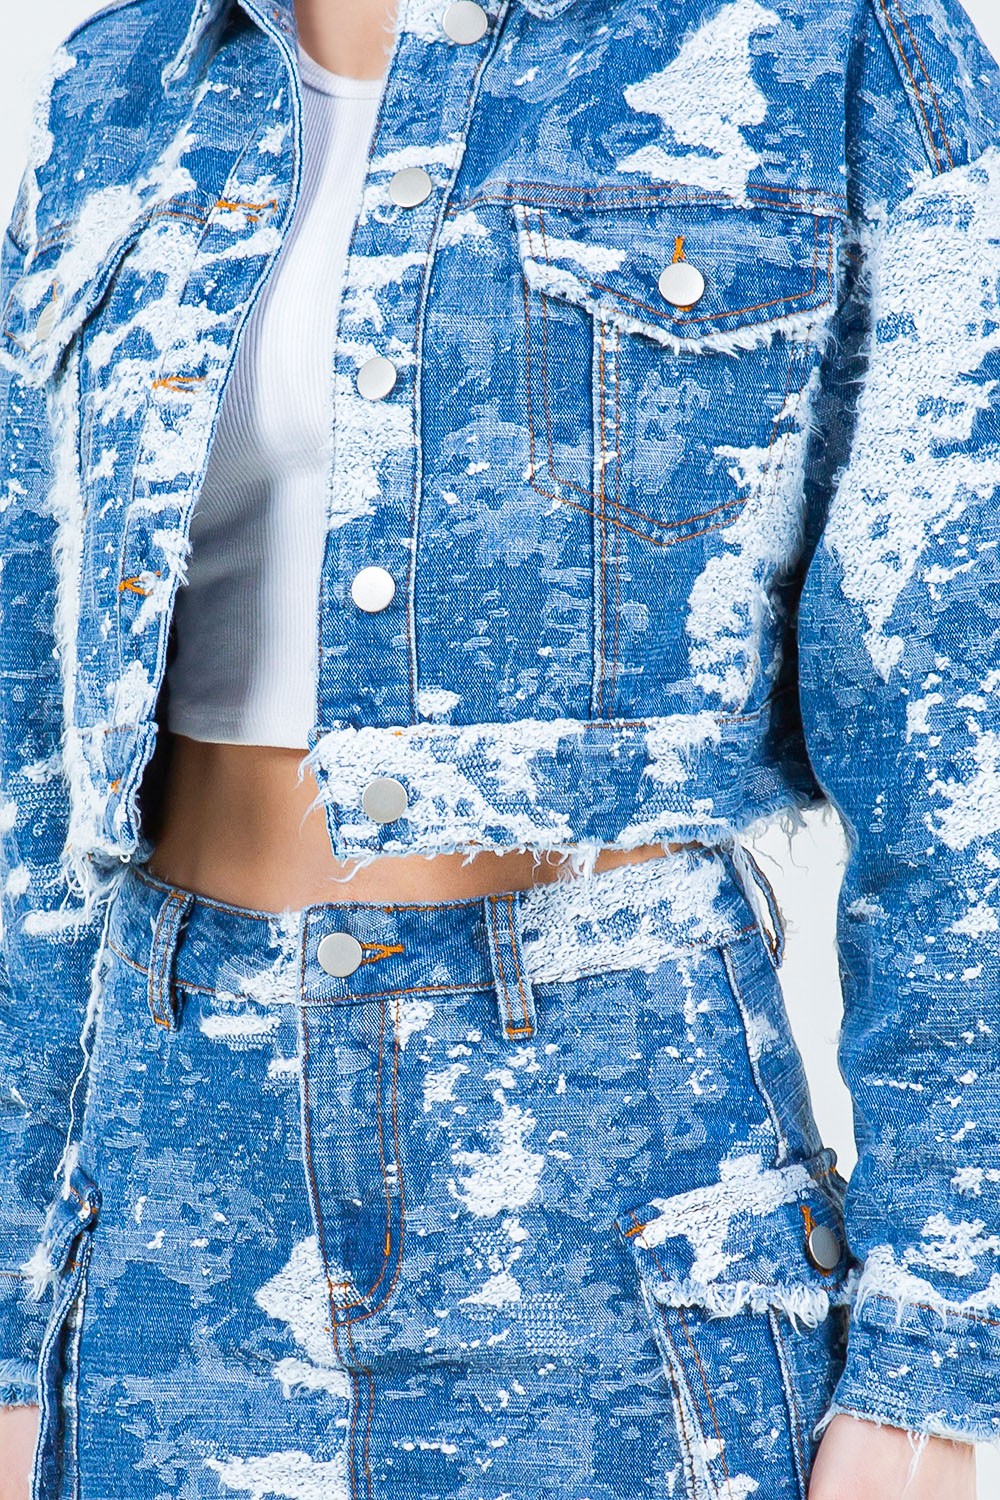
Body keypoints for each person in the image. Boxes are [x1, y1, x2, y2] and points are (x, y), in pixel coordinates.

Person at [0, 0, 997, 1493]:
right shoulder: (118, 83)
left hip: (622, 1192)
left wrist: (939, 1362)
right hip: (160, 1186)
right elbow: (28, 763)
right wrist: (16, 1324)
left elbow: (961, 759)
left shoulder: (820, 44)